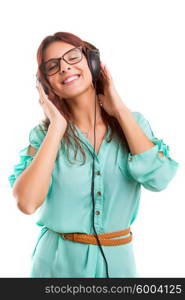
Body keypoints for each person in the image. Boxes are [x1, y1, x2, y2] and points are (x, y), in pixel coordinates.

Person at [8, 31, 179, 278]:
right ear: (45, 83)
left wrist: (119, 109)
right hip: (56, 265)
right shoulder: (43, 135)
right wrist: (57, 127)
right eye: (52, 66)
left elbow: (159, 180)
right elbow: (26, 202)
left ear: (93, 62)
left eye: (73, 57)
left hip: (119, 264)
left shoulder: (133, 123)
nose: (65, 67)